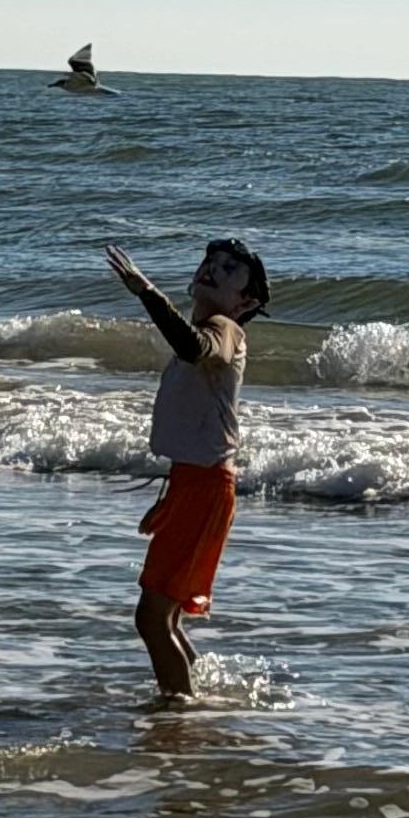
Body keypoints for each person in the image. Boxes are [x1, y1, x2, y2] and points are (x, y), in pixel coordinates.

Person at [102, 235, 269, 700]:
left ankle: (177, 716)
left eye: (230, 269)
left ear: (246, 300)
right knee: (165, 616)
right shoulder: (215, 325)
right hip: (190, 484)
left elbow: (195, 347)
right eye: (210, 261)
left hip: (206, 487)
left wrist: (147, 294)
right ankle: (197, 697)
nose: (214, 268)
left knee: (151, 617)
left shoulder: (226, 328)